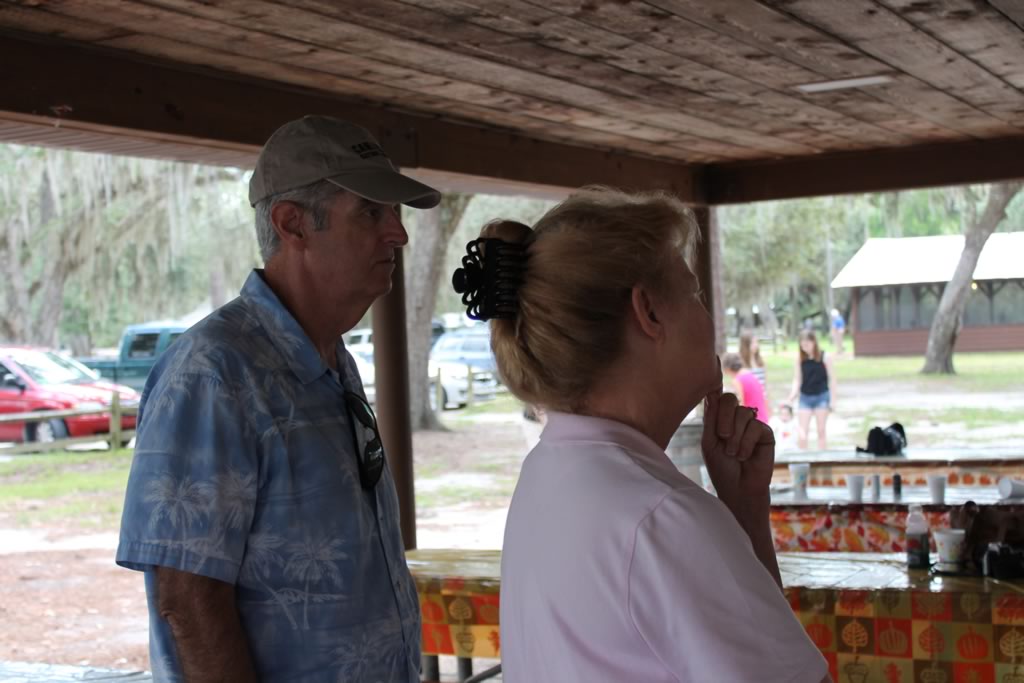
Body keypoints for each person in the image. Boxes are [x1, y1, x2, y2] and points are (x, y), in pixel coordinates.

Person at [454, 188, 828, 682]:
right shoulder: (661, 516)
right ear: (648, 312)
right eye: (694, 293)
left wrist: (744, 511)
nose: (708, 318)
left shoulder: (546, 472)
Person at [116, 115, 440, 682]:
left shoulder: (330, 357)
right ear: (292, 224)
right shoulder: (215, 372)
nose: (398, 233)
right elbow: (187, 599)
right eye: (371, 212)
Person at [788, 329, 836, 451]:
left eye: (807, 344)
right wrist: (793, 394)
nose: (805, 348)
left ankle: (822, 458)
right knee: (802, 433)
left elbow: (832, 380)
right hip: (805, 397)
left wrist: (833, 400)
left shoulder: (825, 357)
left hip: (822, 397)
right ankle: (803, 459)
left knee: (821, 431)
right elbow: (797, 379)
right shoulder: (799, 359)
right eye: (802, 345)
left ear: (814, 342)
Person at [722, 351, 768, 423]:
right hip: (762, 419)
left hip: (752, 422)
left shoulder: (737, 380)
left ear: (727, 369)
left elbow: (741, 405)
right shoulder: (750, 374)